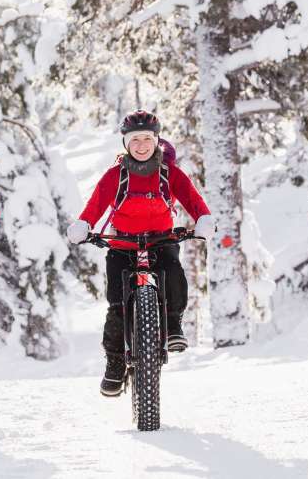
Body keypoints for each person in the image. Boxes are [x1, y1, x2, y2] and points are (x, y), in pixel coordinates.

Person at [65, 110, 215, 397]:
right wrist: (84, 225)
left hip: (161, 240)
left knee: (173, 273)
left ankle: (172, 325)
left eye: (148, 139)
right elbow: (96, 204)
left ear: (157, 141)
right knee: (117, 305)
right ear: (126, 144)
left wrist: (203, 218)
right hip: (123, 245)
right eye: (136, 140)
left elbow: (191, 198)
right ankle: (115, 363)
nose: (142, 145)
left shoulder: (169, 173)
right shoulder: (116, 174)